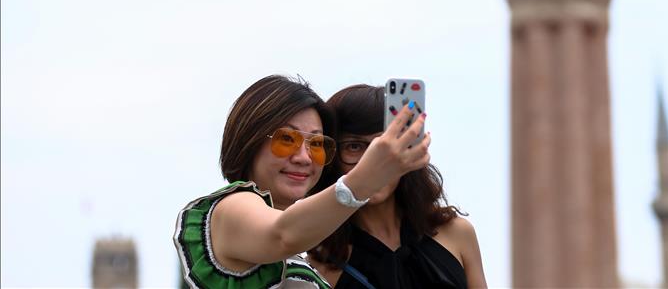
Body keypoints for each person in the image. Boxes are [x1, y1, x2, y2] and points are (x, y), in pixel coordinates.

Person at [173, 75, 430, 289]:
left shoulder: (308, 248)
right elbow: (282, 235)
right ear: (249, 140)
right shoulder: (233, 206)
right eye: (287, 139)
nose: (304, 158)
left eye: (317, 144)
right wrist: (367, 178)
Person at [309, 84, 487, 289]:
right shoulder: (319, 266)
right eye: (354, 146)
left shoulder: (456, 233)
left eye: (384, 145)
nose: (373, 161)